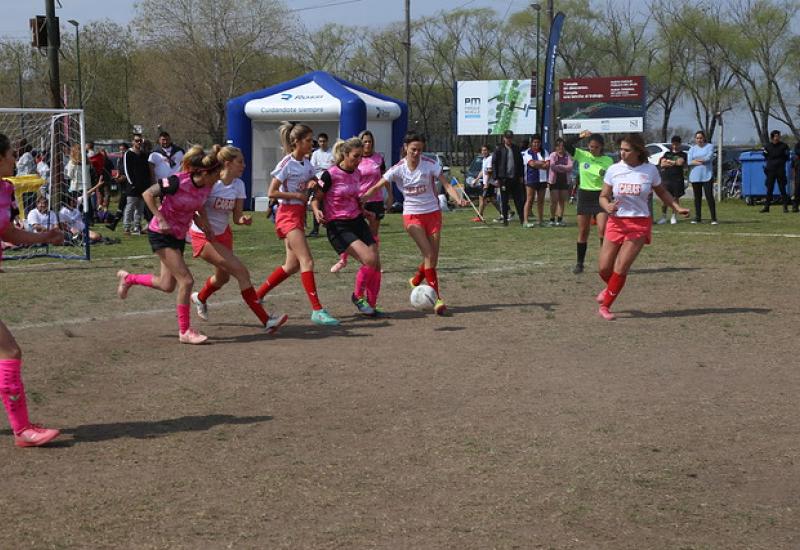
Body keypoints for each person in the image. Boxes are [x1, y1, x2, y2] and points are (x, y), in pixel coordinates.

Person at [115, 145, 221, 344]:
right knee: (186, 281)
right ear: (206, 173)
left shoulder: (207, 187)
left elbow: (197, 207)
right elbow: (147, 194)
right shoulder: (177, 181)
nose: (219, 178)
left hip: (178, 235)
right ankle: (185, 331)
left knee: (167, 285)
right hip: (160, 233)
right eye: (217, 174)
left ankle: (129, 278)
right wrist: (160, 218)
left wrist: (205, 226)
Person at [0, 133, 63, 446]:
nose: (16, 159)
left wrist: (44, 238)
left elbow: (8, 232)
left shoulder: (5, 189)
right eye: (12, 154)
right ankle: (23, 430)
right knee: (9, 351)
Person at [362, 131, 467, 315]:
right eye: (413, 149)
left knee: (433, 258)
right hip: (412, 215)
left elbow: (446, 184)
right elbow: (378, 185)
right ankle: (437, 300)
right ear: (406, 148)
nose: (416, 153)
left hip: (433, 213)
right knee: (428, 254)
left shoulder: (430, 164)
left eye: (419, 150)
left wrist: (458, 198)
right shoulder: (398, 168)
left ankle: (417, 279)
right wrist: (363, 197)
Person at [188, 146, 288, 333]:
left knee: (222, 278)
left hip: (223, 235)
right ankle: (267, 321)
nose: (244, 165)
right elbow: (195, 209)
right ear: (227, 164)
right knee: (242, 272)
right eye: (240, 162)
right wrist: (205, 227)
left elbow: (236, 217)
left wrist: (243, 220)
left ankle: (200, 298)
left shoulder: (239, 185)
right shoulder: (212, 183)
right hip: (203, 236)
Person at [596, 133, 689, 320]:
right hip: (616, 222)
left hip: (639, 223)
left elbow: (662, 192)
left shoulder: (650, 170)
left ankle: (605, 306)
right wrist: (607, 206)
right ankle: (611, 287)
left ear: (638, 151)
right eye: (621, 149)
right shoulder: (614, 169)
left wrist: (677, 207)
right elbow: (603, 196)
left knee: (621, 267)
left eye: (626, 150)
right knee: (604, 268)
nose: (622, 153)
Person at [255, 122, 340, 326]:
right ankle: (317, 310)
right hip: (287, 215)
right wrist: (297, 195)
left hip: (298, 214)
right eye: (308, 140)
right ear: (297, 142)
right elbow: (272, 192)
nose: (312, 144)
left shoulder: (307, 164)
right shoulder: (286, 163)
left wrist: (314, 184)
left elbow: (314, 184)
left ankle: (257, 295)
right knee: (307, 261)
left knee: (292, 265)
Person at [312, 137, 384, 316]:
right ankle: (357, 297)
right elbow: (316, 198)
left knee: (376, 262)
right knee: (369, 259)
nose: (358, 160)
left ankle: (371, 306)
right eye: (355, 156)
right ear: (345, 154)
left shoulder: (357, 173)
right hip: (338, 225)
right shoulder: (330, 174)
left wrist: (365, 211)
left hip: (357, 220)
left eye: (361, 157)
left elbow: (354, 198)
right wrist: (316, 211)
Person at [330, 130, 386, 274]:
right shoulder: (337, 171)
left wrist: (390, 194)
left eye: (370, 141)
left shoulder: (378, 158)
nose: (368, 144)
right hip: (356, 203)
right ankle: (343, 259)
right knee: (361, 249)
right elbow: (320, 194)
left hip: (374, 200)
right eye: (365, 141)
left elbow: (384, 177)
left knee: (372, 240)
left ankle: (375, 263)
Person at [567, 130, 614, 273]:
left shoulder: (608, 160)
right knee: (583, 231)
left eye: (596, 147)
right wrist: (579, 136)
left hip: (601, 196)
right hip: (585, 195)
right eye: (591, 146)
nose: (593, 149)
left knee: (603, 230)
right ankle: (580, 264)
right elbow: (566, 145)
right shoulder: (582, 155)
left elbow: (612, 179)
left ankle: (605, 263)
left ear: (601, 147)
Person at [491, 130, 525, 226]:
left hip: (515, 178)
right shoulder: (499, 149)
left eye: (510, 138)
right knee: (504, 200)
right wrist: (496, 178)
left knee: (518, 200)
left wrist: (521, 176)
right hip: (504, 179)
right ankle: (505, 219)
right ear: (504, 138)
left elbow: (520, 163)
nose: (509, 139)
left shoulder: (516, 149)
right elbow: (494, 163)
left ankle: (522, 218)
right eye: (507, 138)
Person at [122, 133, 152, 235]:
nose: (138, 142)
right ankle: (127, 227)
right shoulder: (128, 154)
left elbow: (146, 170)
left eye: (140, 141)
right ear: (132, 142)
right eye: (136, 140)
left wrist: (147, 183)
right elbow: (127, 170)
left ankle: (137, 226)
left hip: (143, 186)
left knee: (140, 208)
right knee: (130, 207)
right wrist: (132, 183)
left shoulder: (143, 154)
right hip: (133, 186)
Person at [687, 130, 718, 224]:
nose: (699, 140)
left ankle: (713, 218)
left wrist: (696, 160)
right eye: (697, 138)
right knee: (697, 197)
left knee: (709, 196)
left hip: (707, 176)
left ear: (704, 138)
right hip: (695, 176)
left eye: (700, 138)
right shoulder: (692, 149)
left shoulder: (710, 146)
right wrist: (700, 161)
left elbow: (708, 158)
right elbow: (689, 161)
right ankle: (698, 217)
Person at [656, 136, 687, 224]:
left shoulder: (683, 154)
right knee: (664, 199)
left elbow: (680, 162)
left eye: (676, 144)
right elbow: (662, 164)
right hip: (666, 178)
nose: (675, 146)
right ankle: (663, 217)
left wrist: (670, 162)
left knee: (675, 198)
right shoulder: (667, 153)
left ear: (679, 144)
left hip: (677, 179)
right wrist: (674, 162)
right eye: (673, 144)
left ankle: (673, 216)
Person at [308, 133, 334, 238]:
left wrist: (321, 166)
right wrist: (324, 167)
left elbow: (333, 166)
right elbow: (312, 167)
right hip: (318, 181)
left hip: (329, 182)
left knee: (328, 205)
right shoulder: (315, 153)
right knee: (317, 204)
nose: (322, 143)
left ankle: (330, 227)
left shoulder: (332, 152)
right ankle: (315, 229)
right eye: (320, 141)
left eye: (324, 141)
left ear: (327, 141)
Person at [522, 134, 549, 227]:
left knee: (541, 201)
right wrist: (542, 163)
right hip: (531, 179)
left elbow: (547, 165)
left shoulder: (544, 152)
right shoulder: (527, 152)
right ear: (531, 143)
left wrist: (538, 163)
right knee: (529, 199)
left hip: (543, 179)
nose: (536, 144)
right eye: (534, 142)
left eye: (538, 142)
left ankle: (540, 221)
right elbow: (531, 164)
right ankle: (525, 221)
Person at [760, 130, 790, 213]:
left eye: (779, 136)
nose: (778, 137)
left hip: (780, 170)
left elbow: (787, 156)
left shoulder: (784, 146)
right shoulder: (768, 146)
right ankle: (766, 207)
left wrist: (781, 161)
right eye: (776, 136)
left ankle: (785, 207)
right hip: (770, 170)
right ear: (772, 137)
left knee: (782, 188)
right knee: (769, 189)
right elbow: (765, 154)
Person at [546, 138, 572, 227]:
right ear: (556, 147)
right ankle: (552, 219)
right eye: (558, 146)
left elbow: (570, 167)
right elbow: (553, 166)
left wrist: (560, 167)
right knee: (554, 201)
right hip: (554, 181)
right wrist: (564, 168)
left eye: (562, 146)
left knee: (562, 201)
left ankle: (560, 219)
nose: (561, 148)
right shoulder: (552, 155)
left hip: (564, 181)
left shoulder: (567, 155)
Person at [474, 144, 500, 222]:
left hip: (488, 183)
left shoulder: (490, 159)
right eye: (482, 150)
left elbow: (489, 172)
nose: (483, 152)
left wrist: (486, 184)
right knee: (492, 200)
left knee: (482, 199)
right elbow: (483, 171)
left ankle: (479, 216)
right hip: (486, 182)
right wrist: (476, 179)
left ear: (488, 151)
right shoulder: (484, 159)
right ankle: (505, 212)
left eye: (485, 150)